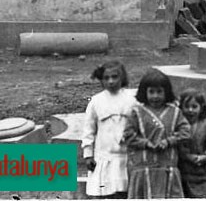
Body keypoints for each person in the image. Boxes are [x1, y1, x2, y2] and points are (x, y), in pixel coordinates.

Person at [123, 69, 190, 199]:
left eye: (159, 92)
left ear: (166, 92)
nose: (155, 96)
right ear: (144, 92)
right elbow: (128, 135)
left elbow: (186, 132)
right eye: (151, 92)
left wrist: (169, 141)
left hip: (167, 167)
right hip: (143, 167)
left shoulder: (175, 112)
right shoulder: (137, 112)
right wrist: (145, 143)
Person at [81, 61, 136, 199]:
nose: (111, 81)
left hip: (127, 154)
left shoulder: (132, 98)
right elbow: (89, 129)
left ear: (122, 77)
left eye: (115, 77)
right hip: (104, 155)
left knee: (125, 190)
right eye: (106, 78)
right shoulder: (96, 101)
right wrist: (88, 154)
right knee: (106, 190)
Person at [177, 89, 206, 198]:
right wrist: (187, 157)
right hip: (185, 173)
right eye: (186, 107)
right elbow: (178, 147)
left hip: (204, 173)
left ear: (201, 108)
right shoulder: (178, 127)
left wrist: (205, 156)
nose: (190, 110)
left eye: (194, 106)